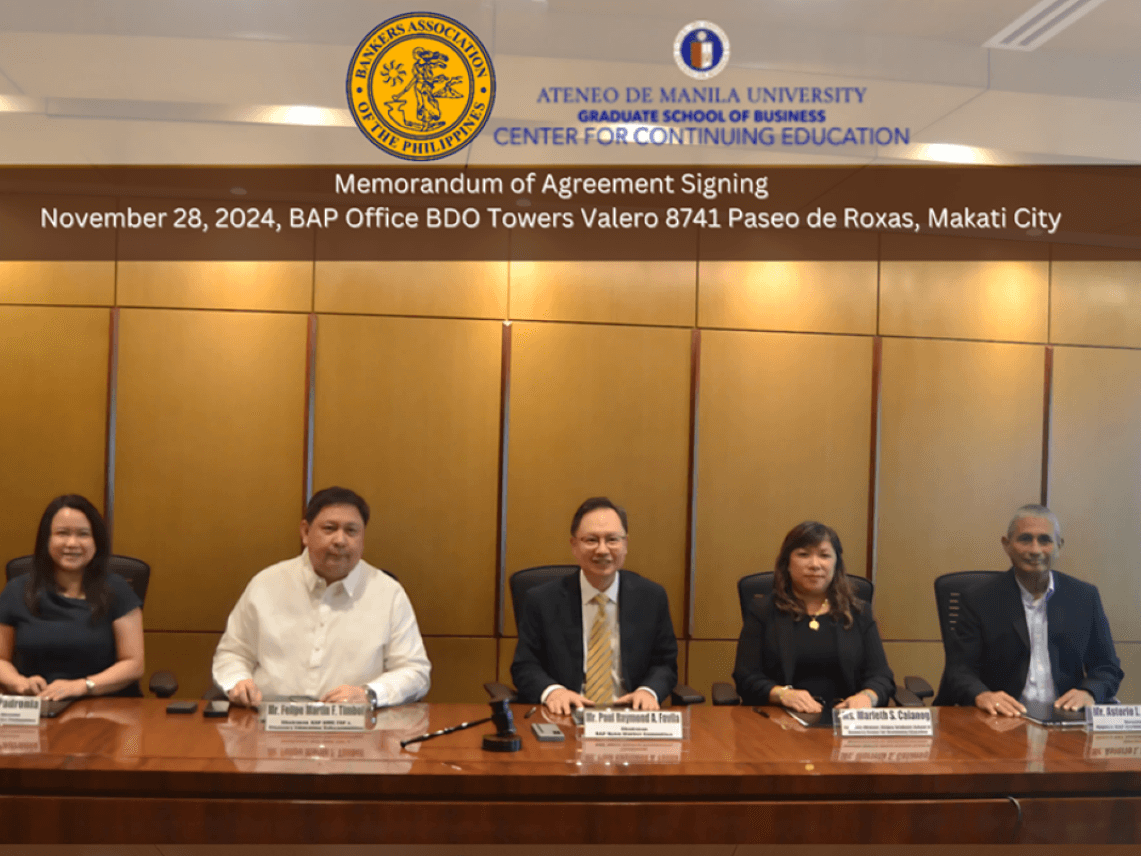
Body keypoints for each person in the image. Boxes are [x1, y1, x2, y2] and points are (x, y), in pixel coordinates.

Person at [212, 486, 430, 708]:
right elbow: (233, 653)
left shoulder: (388, 593)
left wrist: (370, 694)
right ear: (306, 532)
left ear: (363, 538)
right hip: (268, 725)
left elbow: (415, 671)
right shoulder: (266, 584)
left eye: (351, 531)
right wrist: (239, 681)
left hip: (356, 729)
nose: (340, 540)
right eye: (330, 528)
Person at [934, 504, 1122, 715]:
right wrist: (982, 695)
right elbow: (960, 670)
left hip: (1065, 720)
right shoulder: (978, 599)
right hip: (1001, 720)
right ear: (1007, 545)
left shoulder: (1084, 597)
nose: (1035, 550)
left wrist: (1090, 692)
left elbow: (1108, 667)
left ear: (1059, 546)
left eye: (1045, 540)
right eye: (1025, 539)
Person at [510, 497, 678, 715]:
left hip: (630, 718)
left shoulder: (651, 597)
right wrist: (553, 692)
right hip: (566, 715)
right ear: (574, 546)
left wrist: (648, 691)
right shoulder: (542, 600)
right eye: (591, 540)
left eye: (612, 540)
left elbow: (665, 664)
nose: (602, 550)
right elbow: (525, 666)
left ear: (625, 544)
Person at [732, 521, 895, 712]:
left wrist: (867, 697)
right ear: (787, 563)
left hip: (845, 720)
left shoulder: (858, 612)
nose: (815, 565)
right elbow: (746, 677)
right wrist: (783, 694)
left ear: (836, 564)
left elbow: (881, 676)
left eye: (825, 556)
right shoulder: (763, 611)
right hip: (780, 721)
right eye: (803, 555)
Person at [0, 495, 145, 700]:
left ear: (97, 542)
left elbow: (133, 664)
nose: (72, 543)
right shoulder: (16, 591)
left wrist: (83, 686)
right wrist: (20, 684)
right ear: (46, 539)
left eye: (83, 534)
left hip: (107, 709)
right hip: (38, 708)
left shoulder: (117, 590)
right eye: (62, 533)